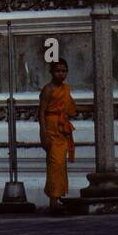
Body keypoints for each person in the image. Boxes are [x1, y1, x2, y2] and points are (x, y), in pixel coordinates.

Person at [39, 59, 78, 212]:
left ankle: (57, 198)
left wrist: (94, 106)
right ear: (51, 72)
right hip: (51, 127)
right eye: (58, 70)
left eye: (64, 70)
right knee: (54, 163)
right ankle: (53, 201)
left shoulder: (66, 89)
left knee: (60, 165)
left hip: (62, 128)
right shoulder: (48, 89)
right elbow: (41, 112)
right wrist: (43, 134)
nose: (61, 73)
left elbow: (71, 108)